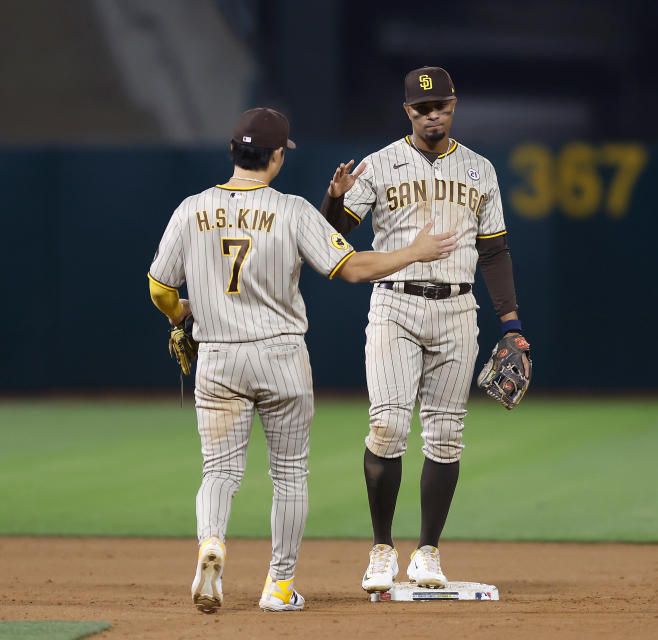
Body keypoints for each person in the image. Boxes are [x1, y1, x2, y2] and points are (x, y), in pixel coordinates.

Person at [147, 107, 458, 613]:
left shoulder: (191, 208)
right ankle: (280, 585)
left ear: (232, 151)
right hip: (281, 358)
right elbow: (353, 268)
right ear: (274, 157)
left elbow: (160, 287)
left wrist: (182, 313)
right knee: (288, 475)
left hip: (219, 358)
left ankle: (212, 543)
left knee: (219, 472)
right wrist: (414, 252)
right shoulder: (291, 210)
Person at [319, 67, 525, 591]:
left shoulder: (481, 170)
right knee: (387, 426)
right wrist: (335, 199)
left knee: (446, 434)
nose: (432, 114)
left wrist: (512, 323)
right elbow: (333, 235)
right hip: (395, 304)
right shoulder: (380, 164)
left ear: (454, 105)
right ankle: (382, 549)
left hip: (458, 309)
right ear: (407, 111)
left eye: (441, 106)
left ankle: (428, 552)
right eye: (421, 108)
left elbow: (494, 251)